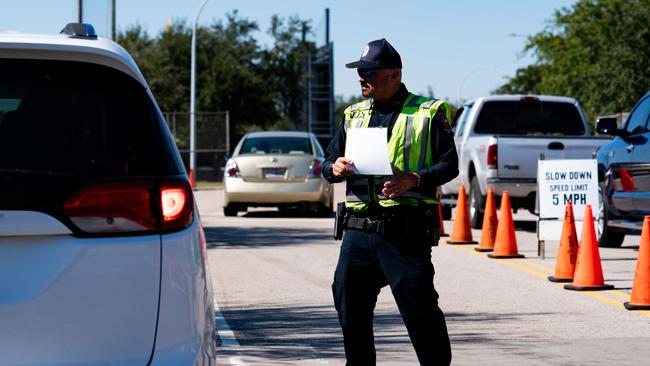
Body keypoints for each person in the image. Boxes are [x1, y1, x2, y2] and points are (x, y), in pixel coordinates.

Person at [323, 38, 458, 365]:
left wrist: (416, 178)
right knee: (348, 304)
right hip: (357, 232)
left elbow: (449, 164)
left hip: (404, 232)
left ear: (394, 75)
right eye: (359, 71)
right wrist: (335, 167)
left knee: (419, 312)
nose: (360, 77)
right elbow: (327, 165)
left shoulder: (427, 113)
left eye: (368, 71)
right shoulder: (353, 115)